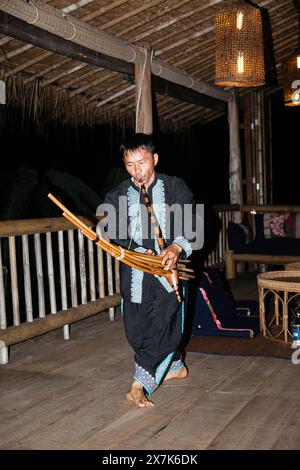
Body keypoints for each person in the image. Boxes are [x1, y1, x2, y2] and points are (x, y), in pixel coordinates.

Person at [102, 133, 196, 408]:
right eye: (130, 164)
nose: (136, 170)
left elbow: (192, 221)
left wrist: (175, 248)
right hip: (135, 271)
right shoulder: (117, 193)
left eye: (141, 162)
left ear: (154, 159)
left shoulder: (175, 187)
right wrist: (134, 247)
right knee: (136, 329)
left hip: (169, 271)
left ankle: (138, 385)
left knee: (162, 324)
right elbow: (113, 231)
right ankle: (175, 366)